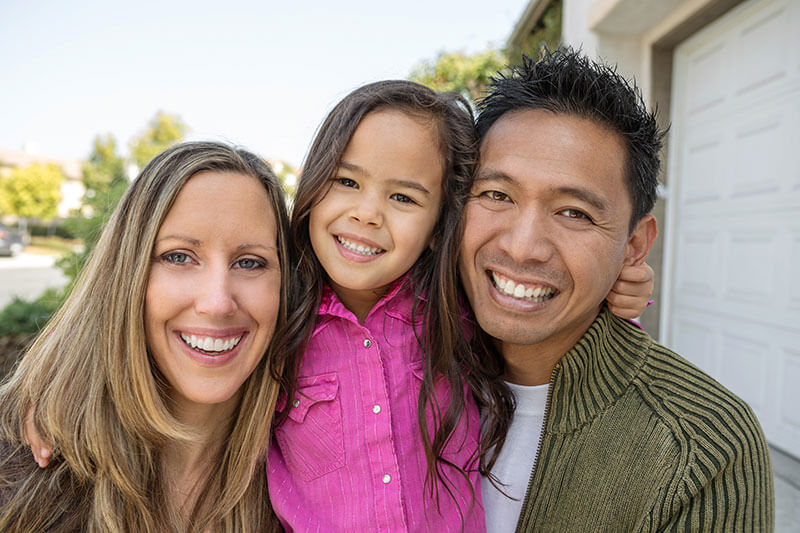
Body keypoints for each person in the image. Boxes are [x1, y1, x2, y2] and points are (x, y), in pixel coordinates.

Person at [265, 79, 654, 531]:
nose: (367, 213)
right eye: (347, 181)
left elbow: (561, 335)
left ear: (438, 225)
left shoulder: (454, 309)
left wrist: (615, 290)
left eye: (403, 197)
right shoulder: (278, 325)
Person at [462, 49, 774, 531]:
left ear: (633, 247)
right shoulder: (386, 366)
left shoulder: (701, 447)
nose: (523, 248)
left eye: (575, 213)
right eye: (497, 195)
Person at [0, 141, 291, 532]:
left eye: (250, 262)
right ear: (127, 274)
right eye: (179, 256)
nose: (217, 302)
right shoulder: (18, 462)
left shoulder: (303, 482)